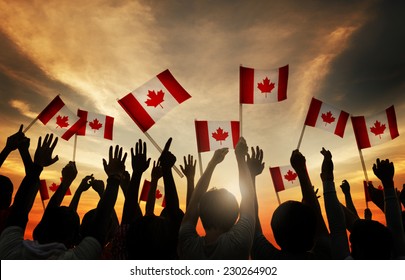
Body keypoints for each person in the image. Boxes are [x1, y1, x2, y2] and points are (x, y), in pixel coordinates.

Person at [178, 137, 255, 259]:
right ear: (235, 215)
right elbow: (248, 197)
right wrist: (240, 157)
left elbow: (194, 201)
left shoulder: (188, 245)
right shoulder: (239, 243)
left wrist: (212, 163)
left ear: (201, 212)